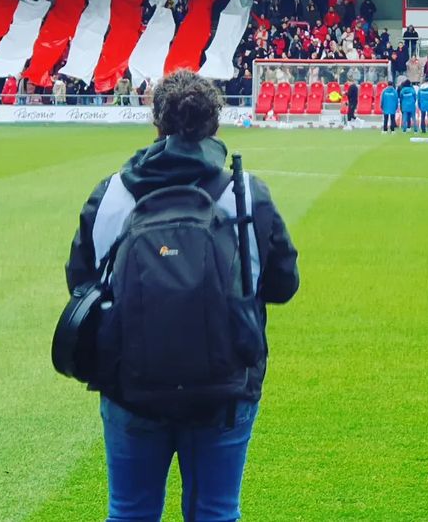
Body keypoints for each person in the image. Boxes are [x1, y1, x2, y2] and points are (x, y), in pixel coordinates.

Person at [66, 71, 299, 522]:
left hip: (130, 381)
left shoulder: (111, 193)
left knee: (130, 513)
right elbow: (283, 285)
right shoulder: (247, 194)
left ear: (156, 122)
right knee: (216, 513)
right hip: (226, 384)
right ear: (215, 124)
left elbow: (82, 285)